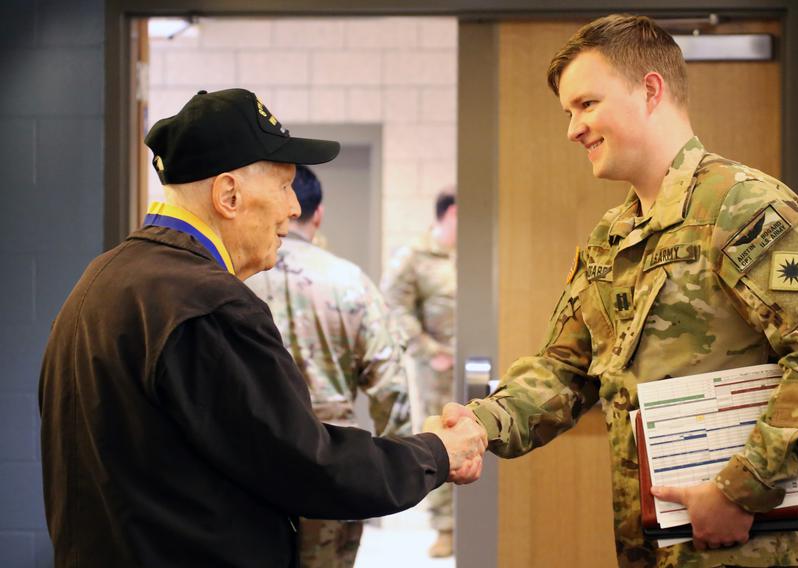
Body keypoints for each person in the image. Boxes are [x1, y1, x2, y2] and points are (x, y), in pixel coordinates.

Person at [438, 15, 798, 568]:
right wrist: (481, 424)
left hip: (745, 549)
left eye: (586, 105)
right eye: (569, 112)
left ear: (650, 90)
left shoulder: (742, 208)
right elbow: (564, 370)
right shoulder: (612, 236)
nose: (572, 129)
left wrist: (742, 487)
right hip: (650, 546)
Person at [38, 88, 484, 568]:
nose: (294, 208)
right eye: (284, 185)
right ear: (229, 195)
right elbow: (310, 467)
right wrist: (437, 452)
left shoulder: (100, 281)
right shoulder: (210, 305)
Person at [245, 165, 412, 568]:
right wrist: (397, 466)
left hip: (252, 463)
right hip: (332, 464)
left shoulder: (237, 280)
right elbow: (391, 384)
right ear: (316, 214)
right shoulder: (348, 281)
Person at [380, 191, 457, 557]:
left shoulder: (475, 248)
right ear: (451, 214)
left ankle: (475, 519)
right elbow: (394, 304)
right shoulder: (415, 255)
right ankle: (445, 527)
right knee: (442, 437)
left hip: (480, 360)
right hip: (439, 368)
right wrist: (427, 350)